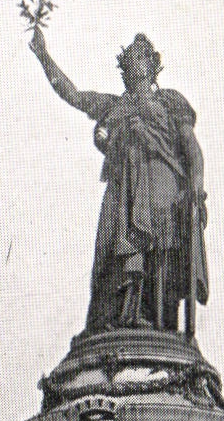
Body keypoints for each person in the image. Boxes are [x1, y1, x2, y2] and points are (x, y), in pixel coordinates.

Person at [29, 26, 208, 334]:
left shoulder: (170, 101)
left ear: (153, 65)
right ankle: (120, 316)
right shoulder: (114, 106)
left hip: (162, 190)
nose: (133, 62)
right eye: (129, 57)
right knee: (113, 252)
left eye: (141, 56)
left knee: (160, 257)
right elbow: (73, 95)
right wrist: (43, 55)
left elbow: (191, 148)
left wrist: (196, 189)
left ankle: (158, 324)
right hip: (123, 193)